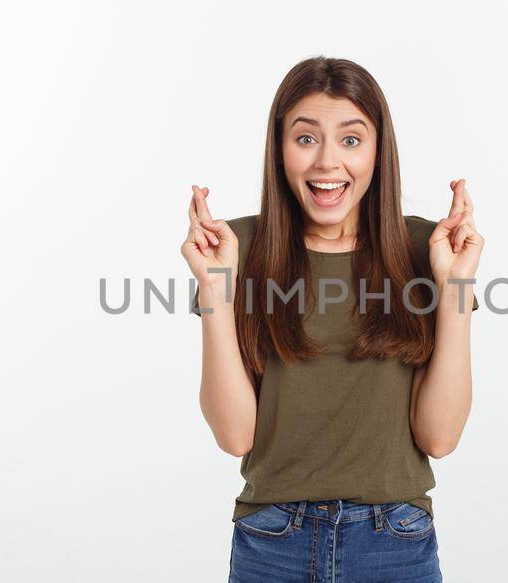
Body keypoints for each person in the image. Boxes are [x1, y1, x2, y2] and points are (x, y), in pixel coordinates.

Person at [181, 56, 483, 583]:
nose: (327, 163)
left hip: (396, 543)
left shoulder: (424, 249)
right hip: (271, 543)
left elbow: (439, 438)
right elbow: (234, 436)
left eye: (350, 139)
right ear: (279, 150)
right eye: (305, 139)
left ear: (377, 152)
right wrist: (215, 292)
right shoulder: (237, 249)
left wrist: (454, 289)